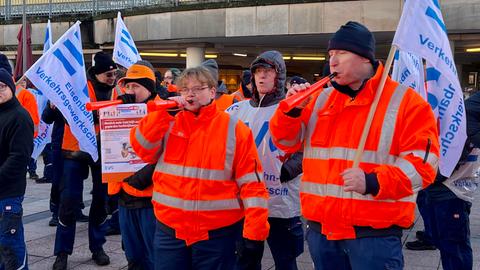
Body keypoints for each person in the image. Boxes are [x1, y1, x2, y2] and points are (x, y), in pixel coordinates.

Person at [269, 21, 440, 270]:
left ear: (364, 58)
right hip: (322, 232)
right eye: (330, 55)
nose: (333, 62)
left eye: (341, 53)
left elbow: (424, 165)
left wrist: (374, 181)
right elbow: (285, 142)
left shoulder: (406, 103)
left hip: (374, 236)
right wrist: (291, 113)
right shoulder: (319, 99)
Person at [130, 66, 270, 270]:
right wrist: (161, 115)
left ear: (212, 91)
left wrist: (254, 233)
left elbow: (253, 185)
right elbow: (142, 149)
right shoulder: (168, 122)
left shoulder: (235, 129)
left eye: (197, 89)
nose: (190, 94)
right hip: (170, 232)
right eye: (185, 89)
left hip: (216, 236)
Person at [227, 50, 304, 270]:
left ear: (279, 76)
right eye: (258, 71)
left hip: (281, 200)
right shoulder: (236, 110)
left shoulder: (291, 109)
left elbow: (307, 146)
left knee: (285, 261)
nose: (261, 76)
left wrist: (288, 170)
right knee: (246, 260)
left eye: (268, 72)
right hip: (248, 203)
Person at [53, 51, 117, 270]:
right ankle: (62, 252)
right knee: (69, 201)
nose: (113, 77)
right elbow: (53, 115)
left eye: (114, 73)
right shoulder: (79, 86)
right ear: (97, 73)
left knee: (101, 201)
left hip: (104, 152)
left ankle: (97, 247)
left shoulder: (117, 90)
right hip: (74, 150)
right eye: (109, 74)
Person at [406, 91, 480, 270]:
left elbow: (464, 140)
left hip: (449, 188)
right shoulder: (465, 110)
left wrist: (435, 175)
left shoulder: (468, 112)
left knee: (454, 245)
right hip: (444, 185)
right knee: (448, 242)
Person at [110, 61, 160, 270]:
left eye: (135, 86)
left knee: (154, 255)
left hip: (150, 199)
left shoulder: (162, 112)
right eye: (127, 86)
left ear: (149, 88)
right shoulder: (118, 111)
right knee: (133, 255)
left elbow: (168, 150)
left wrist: (146, 174)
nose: (130, 91)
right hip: (124, 196)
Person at [0, 67, 33, 270]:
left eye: (2, 86)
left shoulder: (19, 116)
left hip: (8, 194)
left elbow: (19, 158)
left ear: (11, 88)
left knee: (11, 248)